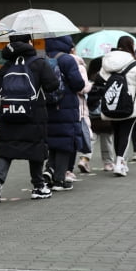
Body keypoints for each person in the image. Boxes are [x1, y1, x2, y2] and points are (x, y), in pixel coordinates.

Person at [0, 34, 59, 201]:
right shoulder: (38, 63)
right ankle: (38, 186)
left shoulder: (6, 66)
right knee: (35, 148)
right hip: (34, 114)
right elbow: (52, 85)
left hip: (9, 113)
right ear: (29, 43)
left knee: (6, 148)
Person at [99, 36, 136, 176]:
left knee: (117, 132)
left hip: (112, 104)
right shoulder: (135, 64)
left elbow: (102, 80)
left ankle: (120, 161)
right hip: (130, 105)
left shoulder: (107, 62)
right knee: (126, 134)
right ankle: (120, 163)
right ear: (131, 46)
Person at [43, 36, 85, 191]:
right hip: (66, 106)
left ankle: (49, 171)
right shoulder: (67, 60)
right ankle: (59, 180)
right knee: (65, 143)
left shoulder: (45, 59)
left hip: (48, 106)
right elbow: (78, 83)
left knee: (53, 141)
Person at [84, 57, 115, 171]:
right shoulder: (106, 79)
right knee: (107, 139)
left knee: (92, 138)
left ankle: (85, 159)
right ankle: (108, 163)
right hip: (104, 114)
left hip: (91, 114)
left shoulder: (88, 81)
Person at [71, 49, 93, 178]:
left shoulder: (53, 63)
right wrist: (90, 85)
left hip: (58, 107)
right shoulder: (79, 66)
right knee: (86, 135)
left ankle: (54, 169)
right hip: (79, 108)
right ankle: (83, 160)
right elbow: (82, 88)